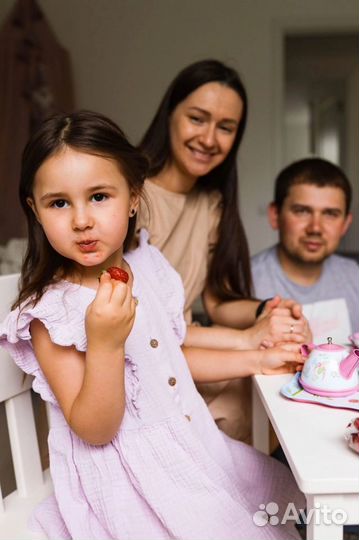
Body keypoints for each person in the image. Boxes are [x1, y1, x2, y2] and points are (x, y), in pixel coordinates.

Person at [0, 110, 305, 540]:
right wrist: (105, 343)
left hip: (195, 444)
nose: (82, 219)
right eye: (59, 203)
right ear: (36, 209)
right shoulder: (51, 313)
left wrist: (258, 357)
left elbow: (170, 358)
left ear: (134, 197)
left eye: (100, 196)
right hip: (131, 478)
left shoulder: (147, 264)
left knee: (278, 514)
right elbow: (95, 428)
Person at [136, 58, 311, 441]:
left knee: (258, 393)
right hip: (142, 359)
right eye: (197, 118)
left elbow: (218, 303)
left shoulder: (212, 203)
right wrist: (248, 340)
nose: (210, 139)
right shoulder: (127, 195)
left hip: (187, 350)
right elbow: (138, 326)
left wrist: (268, 310)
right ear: (170, 114)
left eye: (226, 127)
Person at [251, 157, 359, 345]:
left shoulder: (355, 277)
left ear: (345, 224)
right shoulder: (244, 281)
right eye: (302, 211)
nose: (315, 228)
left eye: (330, 214)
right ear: (275, 215)